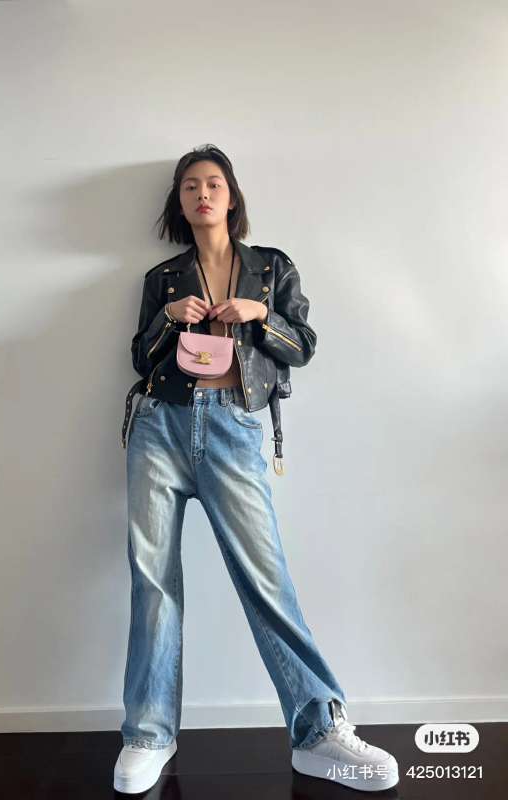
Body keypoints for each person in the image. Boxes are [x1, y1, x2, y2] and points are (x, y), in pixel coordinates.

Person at [114, 144, 399, 794]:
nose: (202, 194)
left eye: (213, 184)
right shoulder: (164, 277)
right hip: (159, 426)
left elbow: (304, 346)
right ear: (179, 201)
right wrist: (168, 320)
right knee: (152, 584)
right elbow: (140, 358)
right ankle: (148, 734)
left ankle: (318, 730)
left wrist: (261, 314)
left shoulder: (270, 268)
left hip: (233, 428)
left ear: (231, 197)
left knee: (267, 580)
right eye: (191, 186)